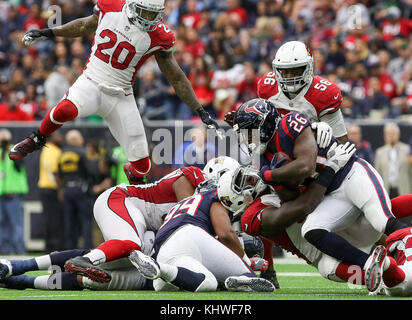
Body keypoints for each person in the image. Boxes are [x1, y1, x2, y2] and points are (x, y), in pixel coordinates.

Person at [9, 0, 220, 186]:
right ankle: (36, 139)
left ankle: (135, 192)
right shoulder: (111, 6)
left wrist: (199, 110)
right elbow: (84, 25)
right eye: (144, 13)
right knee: (65, 109)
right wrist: (50, 32)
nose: (148, 19)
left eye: (152, 15)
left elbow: (176, 77)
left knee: (142, 165)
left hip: (121, 96)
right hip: (91, 82)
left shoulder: (158, 35)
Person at [232, 98, 410, 292]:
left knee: (380, 219)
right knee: (313, 233)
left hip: (349, 175)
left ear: (265, 125)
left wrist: (269, 175)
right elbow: (298, 202)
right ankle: (379, 268)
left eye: (249, 133)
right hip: (328, 207)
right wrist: (277, 179)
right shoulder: (253, 211)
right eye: (243, 183)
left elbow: (305, 167)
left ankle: (405, 252)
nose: (247, 140)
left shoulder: (287, 127)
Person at [221, 164, 408, 294]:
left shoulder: (271, 179)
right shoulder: (250, 216)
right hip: (319, 251)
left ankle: (394, 259)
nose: (250, 179)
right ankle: (386, 277)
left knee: (375, 213)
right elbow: (302, 207)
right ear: (238, 199)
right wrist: (328, 172)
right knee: (329, 268)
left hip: (334, 222)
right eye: (242, 182)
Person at [63, 156, 238, 283]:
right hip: (122, 200)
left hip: (139, 217)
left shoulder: (209, 198)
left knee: (125, 262)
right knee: (131, 244)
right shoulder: (193, 177)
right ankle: (85, 260)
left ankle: (50, 265)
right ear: (220, 175)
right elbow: (187, 223)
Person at [128, 179, 273, 293]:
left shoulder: (183, 204)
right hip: (189, 235)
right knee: (248, 275)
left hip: (164, 252)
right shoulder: (214, 196)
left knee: (208, 282)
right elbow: (225, 234)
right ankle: (244, 277)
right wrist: (246, 262)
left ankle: (159, 268)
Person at [253, 41, 348, 144]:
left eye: (295, 70)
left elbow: (341, 140)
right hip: (276, 148)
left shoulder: (324, 93)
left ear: (309, 67)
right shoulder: (267, 87)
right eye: (284, 71)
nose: (289, 77)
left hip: (311, 150)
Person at [58, 130, 93, 249]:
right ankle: (87, 249)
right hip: (81, 189)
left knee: (69, 222)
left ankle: (70, 250)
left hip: (67, 189)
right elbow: (90, 171)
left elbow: (59, 174)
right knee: (86, 220)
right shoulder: (83, 152)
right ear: (76, 140)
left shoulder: (61, 154)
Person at [0, 129, 29, 254]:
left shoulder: (15, 151)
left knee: (16, 225)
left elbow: (19, 166)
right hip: (1, 195)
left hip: (13, 194)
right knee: (2, 224)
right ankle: (5, 250)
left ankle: (18, 250)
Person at [37, 131, 65, 252]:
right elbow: (54, 172)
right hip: (52, 189)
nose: (61, 137)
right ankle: (55, 248)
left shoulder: (46, 150)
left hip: (44, 189)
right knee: (55, 221)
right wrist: (60, 190)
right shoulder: (55, 151)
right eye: (59, 135)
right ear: (52, 138)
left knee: (49, 220)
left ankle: (49, 248)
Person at [374, 123, 412, 199]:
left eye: (393, 133)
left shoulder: (407, 150)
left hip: (404, 189)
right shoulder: (379, 152)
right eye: (388, 133)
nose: (390, 135)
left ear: (398, 135)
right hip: (387, 190)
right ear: (384, 136)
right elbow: (377, 173)